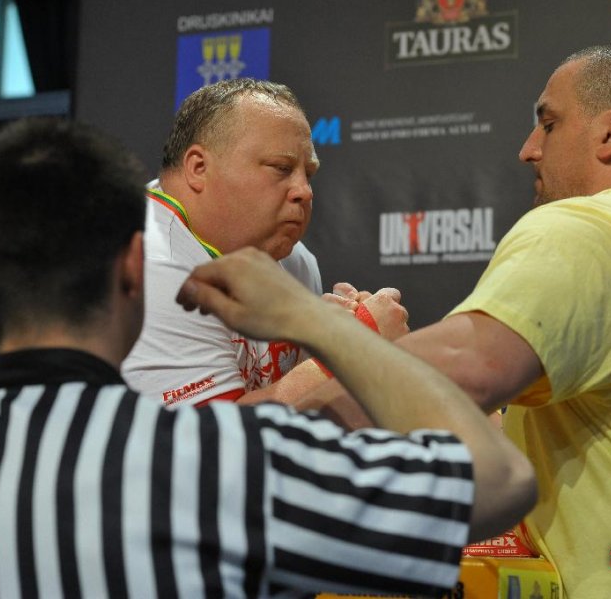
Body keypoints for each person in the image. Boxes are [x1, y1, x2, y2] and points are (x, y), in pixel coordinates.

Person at [0, 118, 536, 597]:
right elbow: (497, 481)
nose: (301, 190)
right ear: (135, 268)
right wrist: (330, 330)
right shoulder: (220, 460)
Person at [301, 43, 611, 596]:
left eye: (548, 123)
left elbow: (466, 372)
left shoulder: (585, 226)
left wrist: (333, 355)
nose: (528, 148)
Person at [122, 78, 408, 408]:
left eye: (308, 174)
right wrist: (357, 346)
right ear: (198, 168)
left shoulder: (292, 259)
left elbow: (300, 419)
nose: (305, 191)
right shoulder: (147, 260)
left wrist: (331, 336)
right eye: (281, 168)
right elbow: (205, 439)